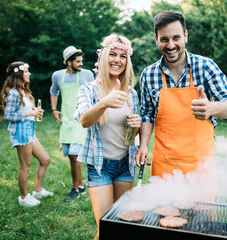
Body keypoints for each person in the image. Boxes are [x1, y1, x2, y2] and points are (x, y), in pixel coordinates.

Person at [135, 11, 227, 203]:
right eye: (164, 39)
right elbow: (147, 114)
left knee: (202, 225)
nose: (171, 45)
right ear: (156, 39)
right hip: (164, 164)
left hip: (200, 165)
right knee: (163, 218)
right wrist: (143, 145)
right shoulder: (148, 75)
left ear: (185, 35)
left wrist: (211, 108)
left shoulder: (206, 67)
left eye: (176, 37)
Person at [74, 34, 140, 240]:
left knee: (122, 226)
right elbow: (84, 121)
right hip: (100, 166)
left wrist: (136, 127)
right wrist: (104, 102)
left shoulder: (132, 94)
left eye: (122, 56)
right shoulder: (89, 90)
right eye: (112, 54)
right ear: (103, 57)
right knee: (105, 231)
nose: (117, 60)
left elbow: (130, 136)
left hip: (125, 165)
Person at [0, 61, 53, 207]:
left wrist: (35, 111)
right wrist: (30, 112)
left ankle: (37, 190)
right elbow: (8, 116)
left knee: (45, 160)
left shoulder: (25, 91)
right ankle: (23, 197)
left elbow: (25, 111)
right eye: (26, 71)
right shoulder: (13, 93)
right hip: (20, 132)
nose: (29, 73)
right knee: (25, 166)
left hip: (29, 130)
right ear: (19, 74)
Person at [50, 46, 94, 201]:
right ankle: (80, 186)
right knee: (70, 156)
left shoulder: (87, 74)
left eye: (81, 61)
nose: (81, 64)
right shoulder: (57, 76)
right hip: (66, 120)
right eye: (78, 61)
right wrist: (54, 109)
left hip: (80, 120)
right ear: (69, 62)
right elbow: (53, 92)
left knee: (75, 155)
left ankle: (75, 188)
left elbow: (94, 93)